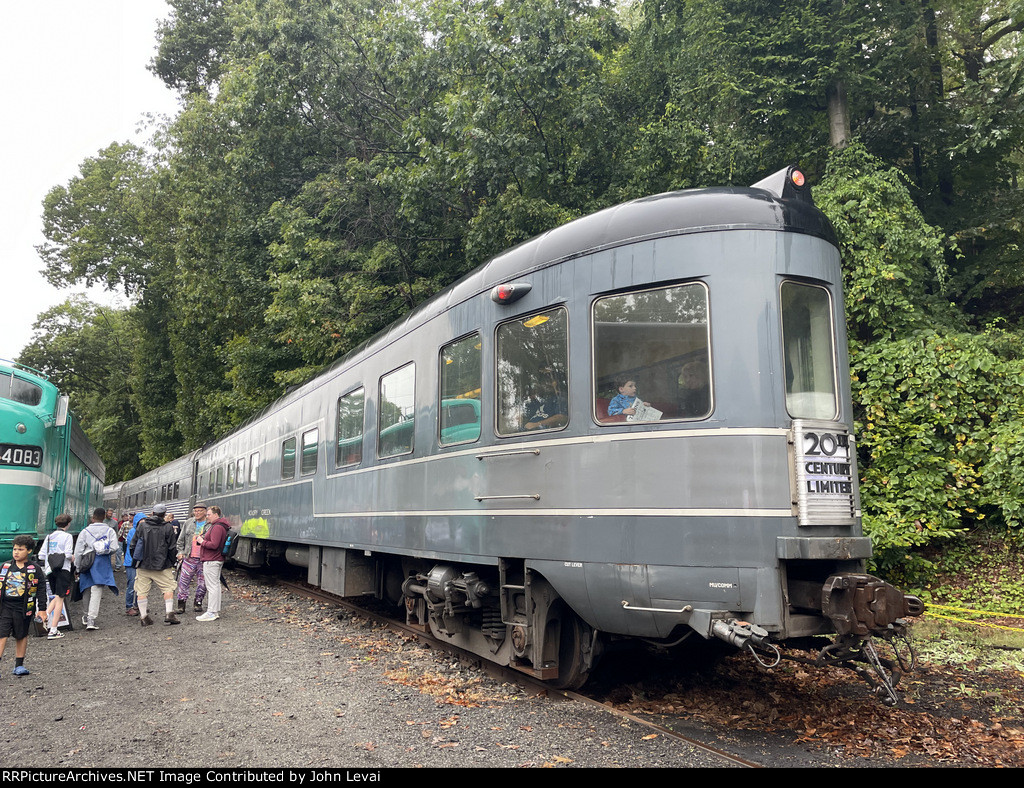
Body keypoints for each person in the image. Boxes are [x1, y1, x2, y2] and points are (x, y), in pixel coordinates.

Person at [0, 535, 47, 676]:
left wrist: (42, 609)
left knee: (21, 634)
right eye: (14, 549)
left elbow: (41, 589)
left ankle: (19, 665)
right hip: (5, 606)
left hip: (24, 607)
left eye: (20, 549)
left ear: (29, 551)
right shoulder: (6, 566)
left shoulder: (35, 569)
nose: (16, 552)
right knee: (2, 634)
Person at [130, 504, 180, 626]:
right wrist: (171, 562)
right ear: (164, 514)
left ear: (152, 513)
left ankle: (143, 616)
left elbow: (133, 545)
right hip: (162, 565)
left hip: (143, 565)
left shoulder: (142, 526)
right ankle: (169, 614)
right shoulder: (168, 527)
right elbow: (172, 548)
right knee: (168, 588)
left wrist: (137, 560)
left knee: (141, 591)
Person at [74, 508, 120, 631]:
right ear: (104, 517)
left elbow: (78, 551)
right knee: (97, 590)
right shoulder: (109, 530)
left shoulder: (85, 531)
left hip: (87, 561)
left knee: (86, 589)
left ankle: (85, 615)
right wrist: (104, 550)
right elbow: (115, 547)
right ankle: (91, 619)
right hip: (101, 562)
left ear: (93, 518)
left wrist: (77, 567)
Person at [38, 514, 75, 639]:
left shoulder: (49, 537)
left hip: (50, 570)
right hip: (63, 569)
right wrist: (72, 558)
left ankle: (44, 616)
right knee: (60, 598)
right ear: (68, 524)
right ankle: (53, 630)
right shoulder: (67, 536)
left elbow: (41, 556)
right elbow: (69, 554)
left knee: (57, 595)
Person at [195, 506, 229, 622]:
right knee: (215, 585)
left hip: (212, 559)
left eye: (209, 514)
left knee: (212, 586)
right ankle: (214, 610)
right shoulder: (220, 526)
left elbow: (214, 545)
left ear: (216, 514)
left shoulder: (217, 527)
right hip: (216, 559)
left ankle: (211, 612)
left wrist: (202, 541)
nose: (207, 517)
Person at [175, 503, 209, 614]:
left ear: (205, 512)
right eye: (196, 511)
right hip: (189, 557)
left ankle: (198, 603)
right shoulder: (188, 523)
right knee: (183, 581)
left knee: (203, 583)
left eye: (200, 511)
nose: (197, 513)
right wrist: (180, 553)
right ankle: (181, 604)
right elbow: (180, 540)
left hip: (204, 559)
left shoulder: (210, 524)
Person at [123, 512, 145, 616]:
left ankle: (137, 605)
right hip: (131, 562)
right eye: (142, 521)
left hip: (140, 561)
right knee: (131, 586)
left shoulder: (144, 531)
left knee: (140, 585)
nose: (144, 522)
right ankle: (129, 607)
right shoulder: (133, 531)